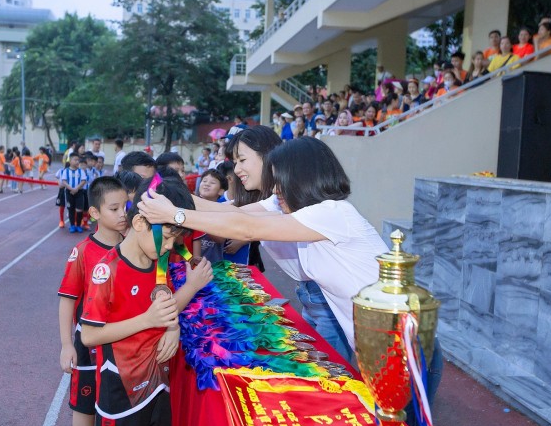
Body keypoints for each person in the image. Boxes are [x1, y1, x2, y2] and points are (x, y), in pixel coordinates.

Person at [137, 136, 388, 365]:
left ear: (302, 178)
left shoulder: (332, 213)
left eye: (280, 182)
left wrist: (174, 214)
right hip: (373, 339)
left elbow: (247, 228)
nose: (276, 189)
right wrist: (174, 198)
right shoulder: (309, 213)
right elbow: (236, 216)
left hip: (391, 338)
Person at [79, 179, 213, 426]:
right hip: (121, 392)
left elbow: (164, 305)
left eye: (175, 239)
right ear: (140, 222)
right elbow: (89, 336)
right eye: (166, 238)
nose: (170, 247)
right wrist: (147, 321)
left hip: (156, 384)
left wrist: (172, 327)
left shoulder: (157, 264)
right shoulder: (106, 271)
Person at [57, 176, 129, 426]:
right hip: (88, 343)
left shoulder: (134, 247)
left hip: (123, 342)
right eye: (114, 208)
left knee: (111, 403)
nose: (123, 213)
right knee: (85, 404)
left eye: (125, 205)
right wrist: (65, 345)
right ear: (95, 213)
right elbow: (67, 300)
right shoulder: (83, 251)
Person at [196, 169, 228, 262]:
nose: (206, 184)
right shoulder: (191, 207)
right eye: (204, 181)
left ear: (221, 191)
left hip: (214, 264)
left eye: (212, 182)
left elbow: (220, 239)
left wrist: (200, 220)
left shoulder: (222, 211)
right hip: (191, 263)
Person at [57, 152, 88, 232]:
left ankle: (78, 225)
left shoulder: (81, 171)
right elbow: (64, 181)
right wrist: (71, 189)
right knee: (71, 209)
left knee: (79, 210)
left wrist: (76, 189)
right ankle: (72, 226)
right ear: (70, 161)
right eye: (75, 160)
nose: (77, 161)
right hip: (69, 192)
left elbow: (83, 181)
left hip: (79, 192)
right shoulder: (66, 171)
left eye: (78, 160)